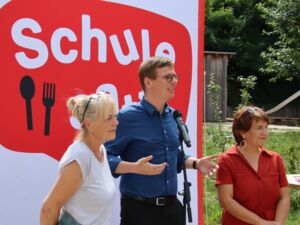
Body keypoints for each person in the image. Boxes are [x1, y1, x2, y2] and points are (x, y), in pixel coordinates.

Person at [105, 56, 219, 225]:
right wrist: (134, 168)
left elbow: (174, 156)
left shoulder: (174, 117)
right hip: (139, 210)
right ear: (148, 82)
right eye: (167, 77)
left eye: (175, 77)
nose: (174, 82)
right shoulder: (127, 116)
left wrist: (196, 163)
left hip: (172, 210)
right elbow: (105, 157)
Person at [40, 92, 166, 225]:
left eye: (115, 116)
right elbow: (48, 209)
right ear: (89, 123)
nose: (116, 123)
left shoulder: (101, 150)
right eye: (108, 118)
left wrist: (135, 167)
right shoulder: (79, 157)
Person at [216, 106, 290, 225]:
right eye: (259, 128)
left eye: (266, 127)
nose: (265, 132)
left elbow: (284, 197)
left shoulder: (275, 159)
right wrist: (260, 222)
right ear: (243, 132)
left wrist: (278, 223)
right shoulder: (227, 160)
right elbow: (225, 201)